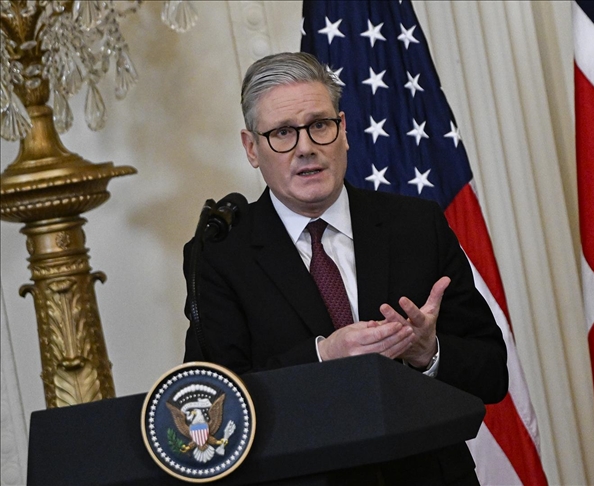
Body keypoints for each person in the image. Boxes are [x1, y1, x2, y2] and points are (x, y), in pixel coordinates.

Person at [182, 52, 508, 484]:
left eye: (319, 125)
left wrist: (427, 352)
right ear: (251, 148)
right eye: (282, 133)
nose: (306, 147)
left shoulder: (416, 225)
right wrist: (323, 356)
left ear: (344, 130)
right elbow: (214, 404)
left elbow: (492, 373)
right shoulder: (220, 255)